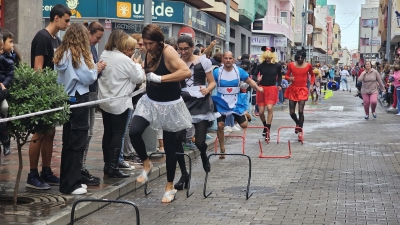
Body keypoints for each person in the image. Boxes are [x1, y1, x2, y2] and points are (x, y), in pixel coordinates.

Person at [128, 24, 192, 203]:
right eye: (144, 43)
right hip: (150, 101)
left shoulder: (168, 51)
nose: (146, 47)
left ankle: (169, 186)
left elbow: (185, 71)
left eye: (150, 43)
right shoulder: (149, 52)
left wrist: (161, 78)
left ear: (159, 41)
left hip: (169, 105)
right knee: (134, 131)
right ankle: (146, 163)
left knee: (170, 147)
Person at [27, 4, 71, 190]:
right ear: (56, 18)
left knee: (50, 133)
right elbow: (38, 69)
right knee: (38, 133)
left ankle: (46, 171)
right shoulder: (42, 37)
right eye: (66, 20)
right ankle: (32, 174)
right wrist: (45, 93)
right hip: (42, 95)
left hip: (53, 94)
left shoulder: (56, 40)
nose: (68, 24)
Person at [54, 23, 97, 195]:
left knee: (68, 142)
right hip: (79, 97)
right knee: (78, 141)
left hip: (66, 99)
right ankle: (72, 184)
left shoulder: (61, 53)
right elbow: (89, 77)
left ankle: (68, 181)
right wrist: (95, 66)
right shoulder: (77, 54)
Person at [173, 35, 219, 190]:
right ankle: (184, 174)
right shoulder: (175, 62)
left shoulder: (203, 61)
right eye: (181, 49)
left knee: (199, 141)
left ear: (193, 47)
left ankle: (204, 156)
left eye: (186, 48)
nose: (184, 52)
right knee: (177, 139)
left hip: (200, 101)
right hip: (183, 101)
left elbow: (212, 82)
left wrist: (207, 89)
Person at [98, 31, 144, 178]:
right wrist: (137, 65)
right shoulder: (124, 60)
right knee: (118, 134)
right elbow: (138, 78)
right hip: (120, 102)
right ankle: (113, 167)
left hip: (105, 100)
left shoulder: (105, 54)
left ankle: (107, 165)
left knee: (108, 133)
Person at [212, 51, 263, 158]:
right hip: (221, 101)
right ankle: (222, 149)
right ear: (223, 60)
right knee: (220, 125)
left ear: (233, 60)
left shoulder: (239, 71)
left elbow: (249, 81)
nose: (228, 60)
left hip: (235, 101)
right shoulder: (217, 72)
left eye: (230, 58)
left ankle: (244, 114)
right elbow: (211, 82)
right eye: (226, 58)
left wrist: (257, 88)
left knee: (244, 125)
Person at [81, 21, 106, 186]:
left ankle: (81, 167)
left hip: (91, 92)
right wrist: (97, 69)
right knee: (84, 132)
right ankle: (79, 168)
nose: (98, 41)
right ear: (88, 33)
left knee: (89, 133)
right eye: (97, 38)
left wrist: (99, 69)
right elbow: (87, 74)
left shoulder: (92, 49)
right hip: (84, 93)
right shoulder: (84, 50)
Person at [284, 48, 315, 141]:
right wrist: (290, 79)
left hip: (302, 90)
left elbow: (312, 75)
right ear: (296, 58)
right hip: (293, 90)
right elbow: (286, 75)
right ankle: (297, 123)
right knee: (292, 112)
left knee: (301, 111)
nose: (300, 59)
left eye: (302, 57)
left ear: (304, 58)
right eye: (299, 57)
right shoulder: (291, 65)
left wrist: (312, 85)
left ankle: (300, 131)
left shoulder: (308, 65)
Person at [252, 48, 281, 137]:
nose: (267, 59)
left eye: (269, 57)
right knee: (260, 112)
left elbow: (279, 76)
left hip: (272, 88)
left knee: (269, 108)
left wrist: (279, 84)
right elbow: (253, 75)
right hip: (262, 89)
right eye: (266, 57)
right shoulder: (260, 65)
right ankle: (265, 126)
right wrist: (257, 79)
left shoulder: (277, 65)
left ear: (272, 57)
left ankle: (268, 129)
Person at [0, 30, 15, 156]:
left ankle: (6, 141)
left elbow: (10, 75)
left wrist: (4, 85)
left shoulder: (8, 60)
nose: (12, 44)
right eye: (10, 41)